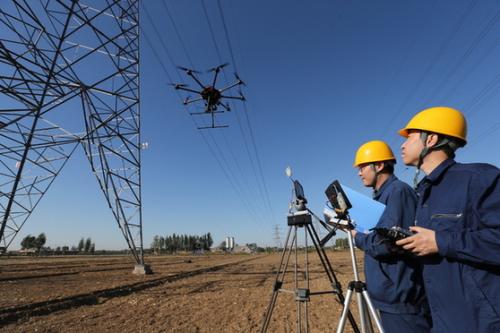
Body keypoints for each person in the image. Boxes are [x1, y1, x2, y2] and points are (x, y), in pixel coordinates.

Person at [396, 106, 500, 332]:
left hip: (479, 321)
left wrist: (441, 242)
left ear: (430, 139)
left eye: (410, 137)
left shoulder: (479, 178)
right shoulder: (425, 191)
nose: (402, 145)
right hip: (441, 318)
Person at [351, 140, 431, 333]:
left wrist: (356, 236)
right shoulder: (383, 196)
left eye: (362, 167)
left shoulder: (398, 192)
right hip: (389, 296)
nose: (359, 173)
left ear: (379, 166)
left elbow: (386, 243)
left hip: (401, 299)